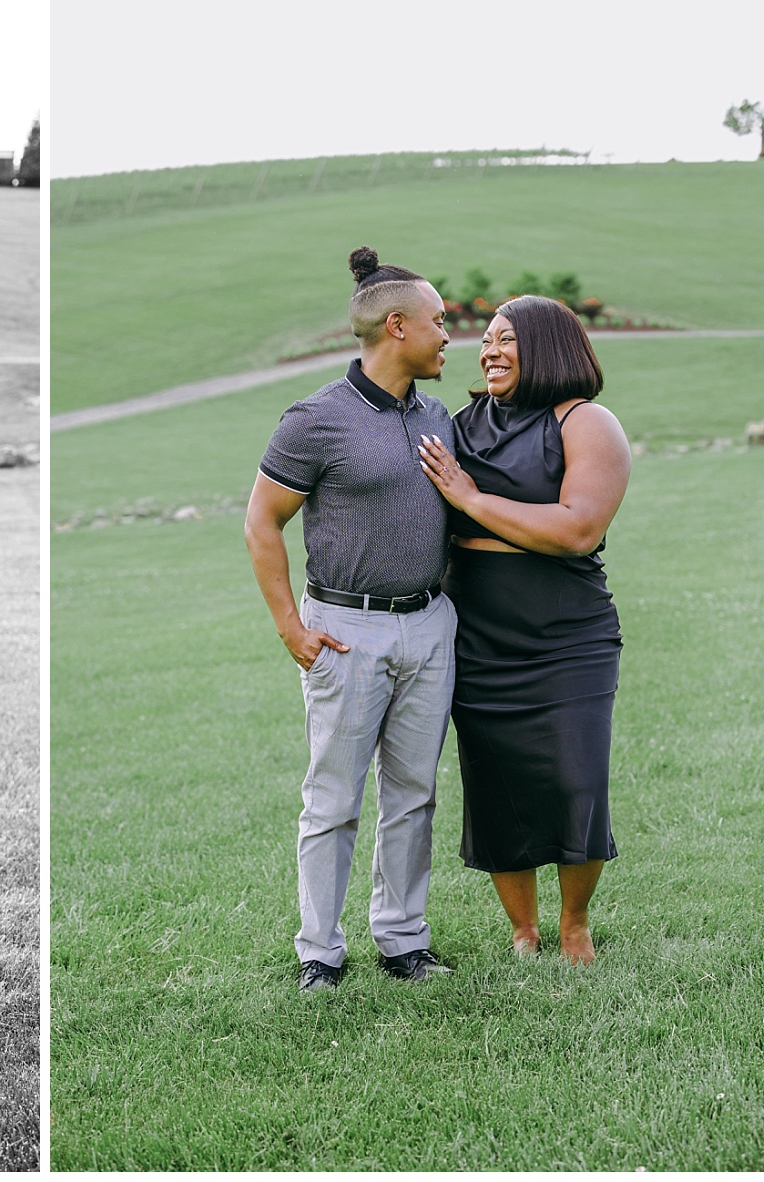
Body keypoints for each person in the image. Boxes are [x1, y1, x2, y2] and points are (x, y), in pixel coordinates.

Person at [244, 247, 459, 992]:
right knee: (333, 799)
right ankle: (320, 954)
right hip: (345, 630)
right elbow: (262, 522)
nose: (447, 335)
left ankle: (403, 941)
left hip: (431, 627)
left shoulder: (438, 416)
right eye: (439, 323)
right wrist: (290, 628)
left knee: (414, 794)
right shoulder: (316, 420)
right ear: (396, 327)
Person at [418, 295, 631, 965]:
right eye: (485, 340)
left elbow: (578, 528)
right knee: (495, 784)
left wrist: (472, 499)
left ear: (548, 345)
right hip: (477, 632)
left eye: (506, 339)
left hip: (567, 634)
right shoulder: (459, 425)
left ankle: (573, 923)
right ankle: (522, 930)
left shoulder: (586, 422)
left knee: (576, 779)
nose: (487, 350)